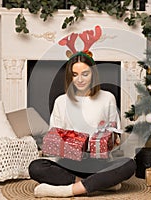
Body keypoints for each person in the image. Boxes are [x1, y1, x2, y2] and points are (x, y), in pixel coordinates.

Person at [29, 51, 136, 198]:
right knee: (36, 168)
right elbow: (54, 137)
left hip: (98, 163)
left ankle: (68, 190)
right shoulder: (61, 101)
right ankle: (98, 185)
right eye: (75, 74)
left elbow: (116, 137)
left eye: (85, 74)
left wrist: (112, 140)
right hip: (68, 164)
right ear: (69, 76)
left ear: (93, 74)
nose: (80, 79)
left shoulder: (107, 98)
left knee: (129, 164)